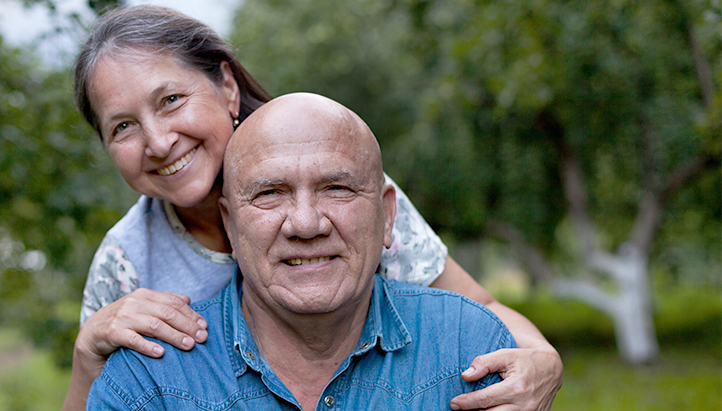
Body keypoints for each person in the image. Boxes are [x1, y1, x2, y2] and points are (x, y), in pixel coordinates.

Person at [63, 5, 561, 411]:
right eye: (122, 127)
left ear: (227, 88)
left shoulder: (346, 195)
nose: (157, 140)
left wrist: (543, 360)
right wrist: (89, 353)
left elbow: (479, 306)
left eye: (171, 99)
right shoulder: (126, 259)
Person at [87, 92, 519, 410]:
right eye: (270, 194)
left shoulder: (470, 349)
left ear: (388, 215)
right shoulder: (147, 384)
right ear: (230, 227)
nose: (307, 224)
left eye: (337, 188)